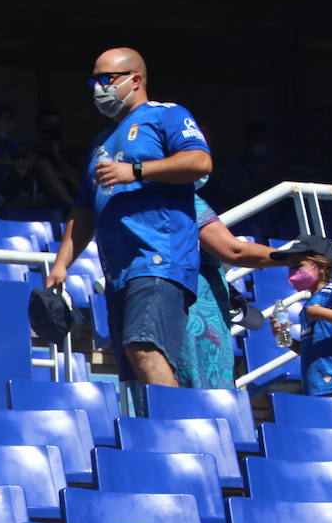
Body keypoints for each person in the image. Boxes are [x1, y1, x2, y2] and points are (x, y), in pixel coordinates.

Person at [47, 47, 212, 402]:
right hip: (120, 271)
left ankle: (177, 437)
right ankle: (151, 443)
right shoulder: (100, 142)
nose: (97, 88)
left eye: (106, 79)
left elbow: (200, 161)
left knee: (144, 347)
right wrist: (61, 265)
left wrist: (134, 170)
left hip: (157, 258)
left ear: (135, 80)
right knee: (131, 375)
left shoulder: (166, 115)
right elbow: (83, 210)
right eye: (93, 80)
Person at [176, 191, 277, 388]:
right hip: (190, 334)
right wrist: (292, 256)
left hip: (203, 343)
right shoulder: (184, 202)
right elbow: (235, 251)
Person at [272, 236, 332, 396]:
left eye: (298, 266)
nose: (293, 273)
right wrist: (286, 339)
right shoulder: (308, 306)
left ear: (321, 266)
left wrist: (321, 312)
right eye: (290, 268)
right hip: (316, 388)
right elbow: (311, 350)